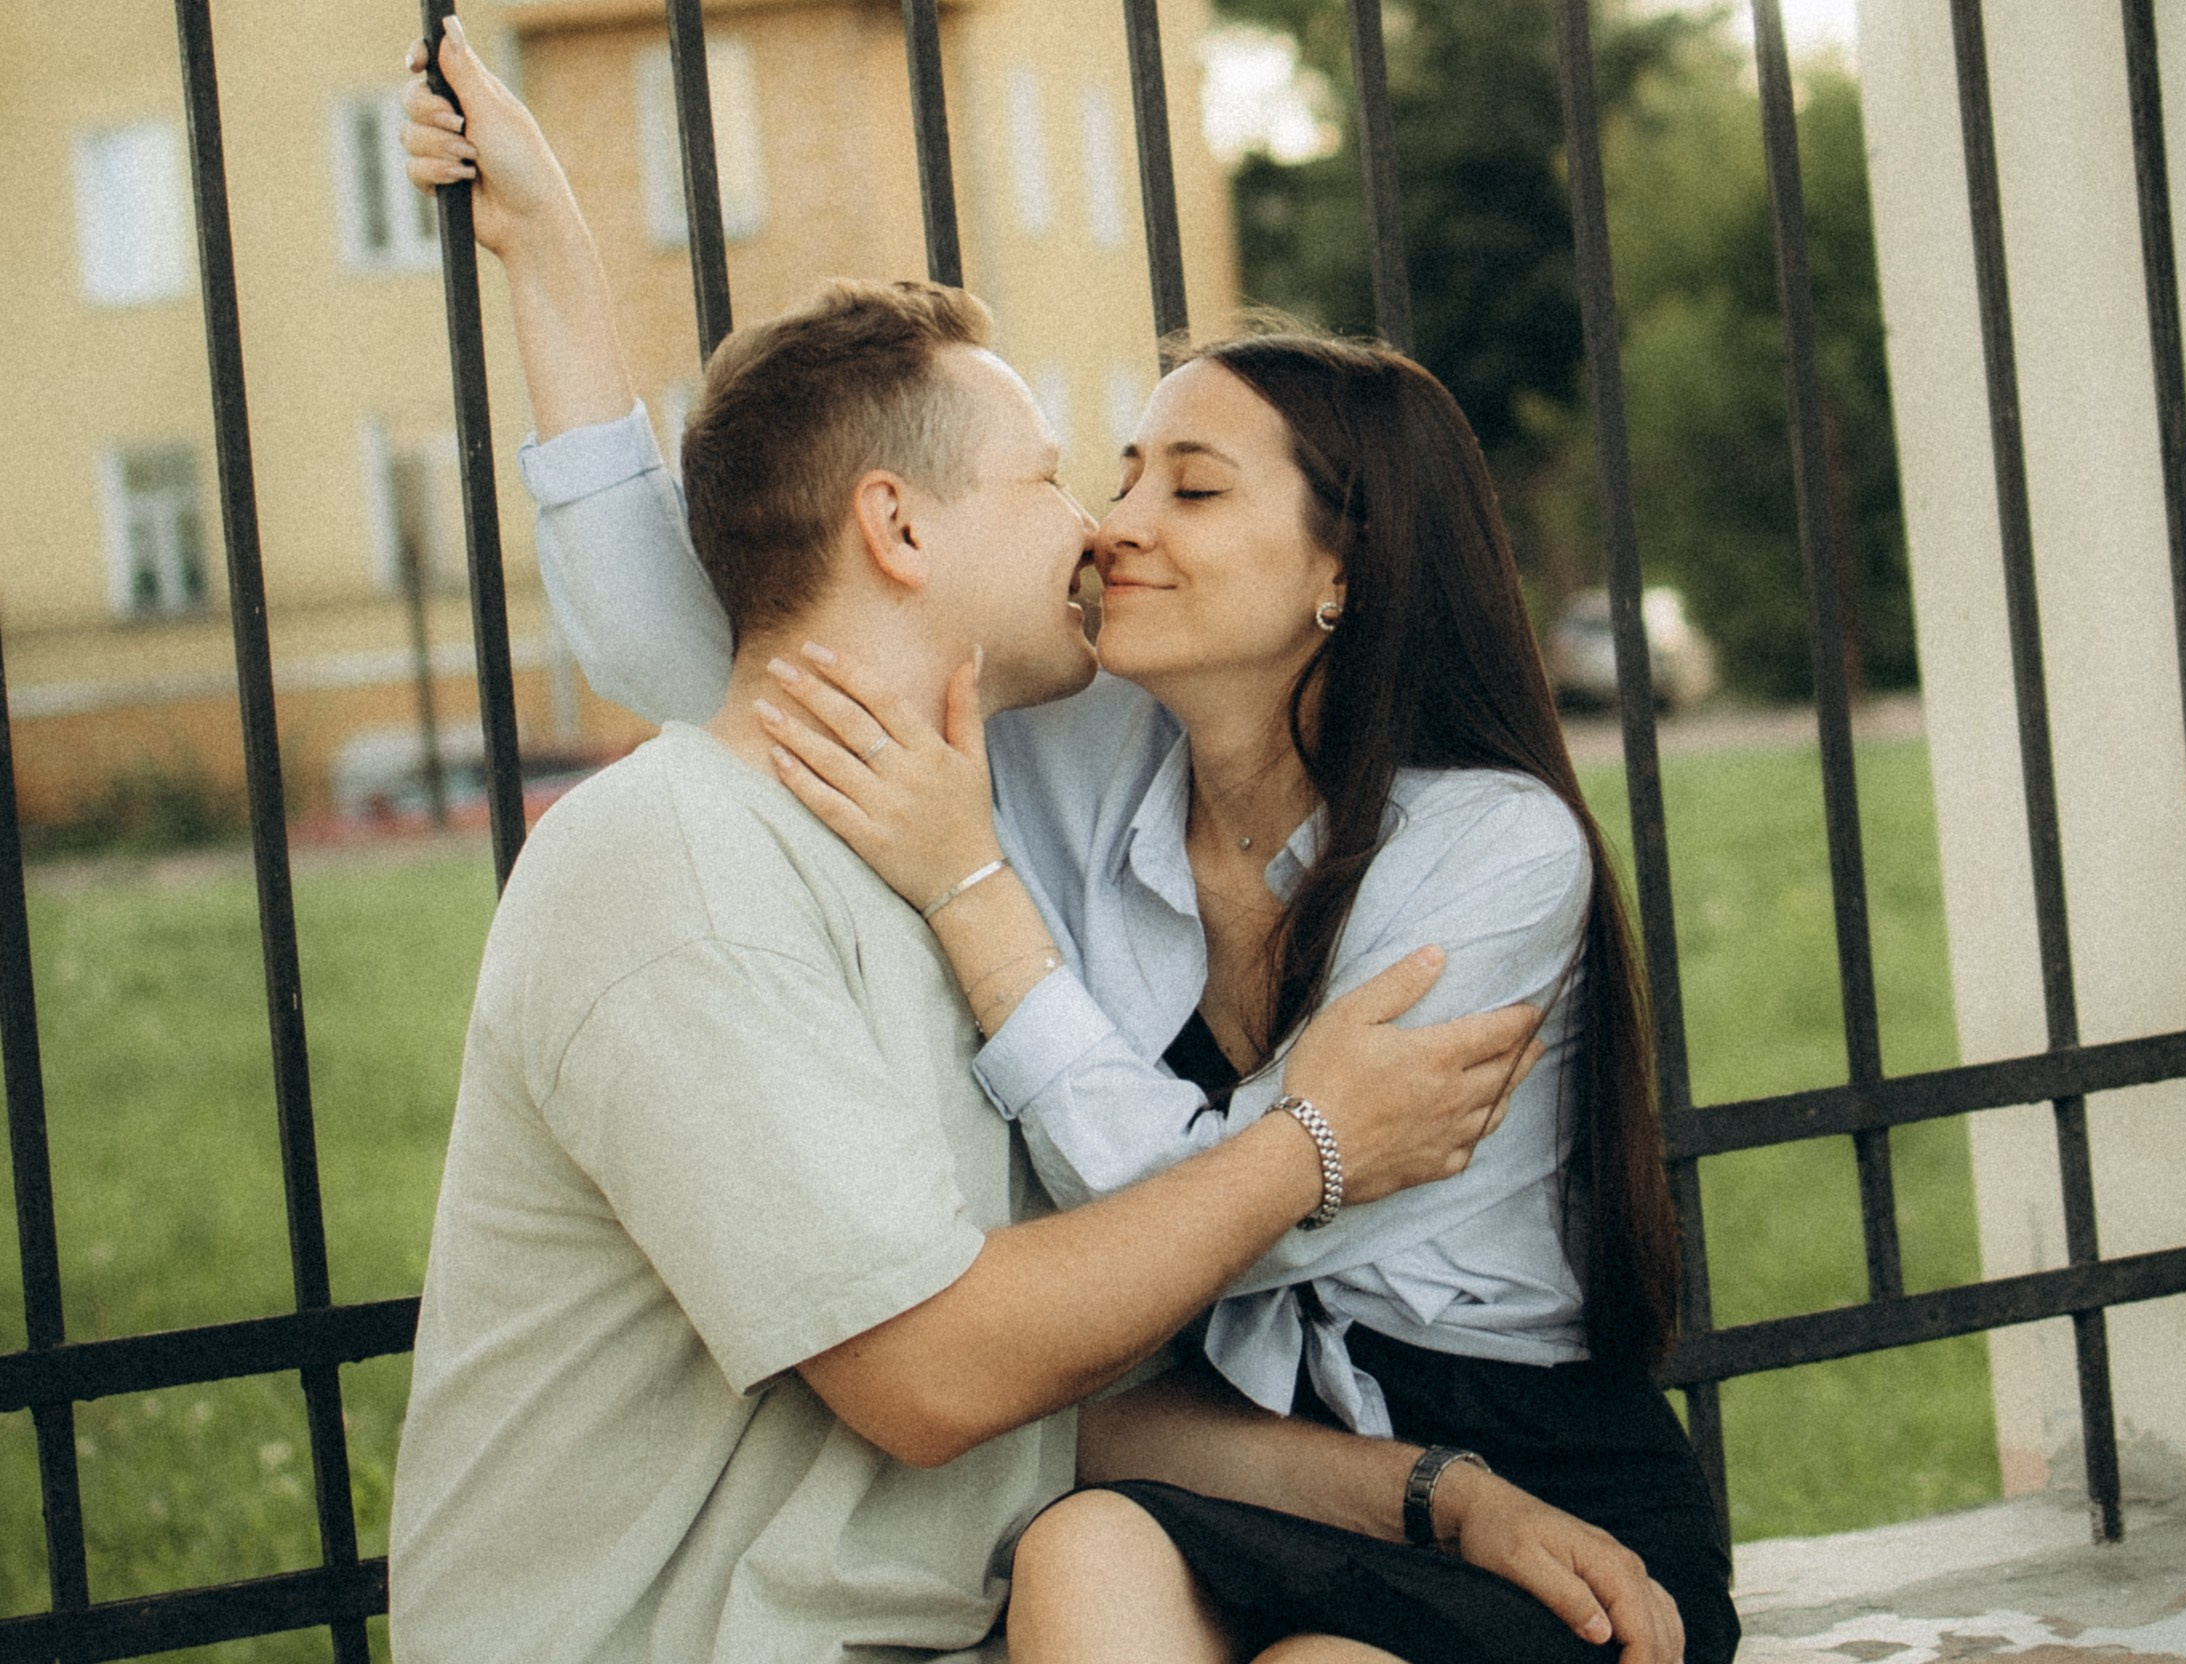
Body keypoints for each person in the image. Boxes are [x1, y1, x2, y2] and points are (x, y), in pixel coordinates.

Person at [402, 21, 1732, 1663]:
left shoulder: (1489, 854)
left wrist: (994, 915)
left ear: (1345, 569)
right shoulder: (1060, 751)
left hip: (1487, 1435)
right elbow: (753, 638)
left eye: (1189, 489)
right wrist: (554, 256)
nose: (1110, 524)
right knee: (1084, 1565)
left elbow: (1249, 1231)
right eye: (1090, 474)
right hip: (1211, 1444)